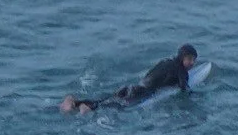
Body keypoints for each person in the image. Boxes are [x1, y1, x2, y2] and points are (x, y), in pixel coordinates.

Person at [62, 45, 201, 113]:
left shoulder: (166, 62)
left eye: (194, 60)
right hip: (141, 94)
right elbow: (184, 89)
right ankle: (84, 108)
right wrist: (196, 96)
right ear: (182, 57)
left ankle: (75, 102)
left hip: (133, 87)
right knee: (114, 106)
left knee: (106, 100)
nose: (192, 63)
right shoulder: (181, 70)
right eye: (189, 59)